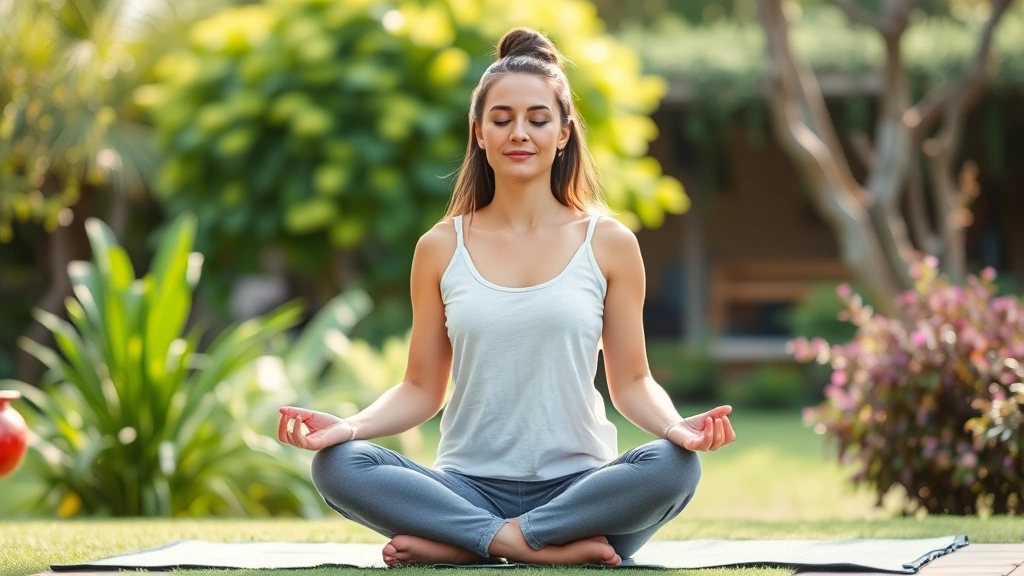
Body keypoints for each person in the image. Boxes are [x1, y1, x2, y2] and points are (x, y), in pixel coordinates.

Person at [278, 26, 737, 567]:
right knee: (338, 465)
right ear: (479, 132)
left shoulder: (609, 243)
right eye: (502, 119)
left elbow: (632, 382)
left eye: (538, 119)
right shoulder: (440, 246)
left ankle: (470, 544)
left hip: (582, 494)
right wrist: (348, 426)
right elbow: (422, 387)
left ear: (564, 133)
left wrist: (674, 428)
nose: (520, 133)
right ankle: (527, 547)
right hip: (467, 487)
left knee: (675, 467)